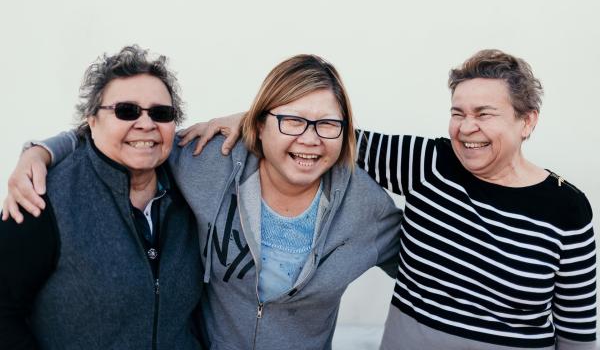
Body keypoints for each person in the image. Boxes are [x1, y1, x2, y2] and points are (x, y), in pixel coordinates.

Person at [122, 49, 598, 349]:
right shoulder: (428, 162)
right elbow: (130, 139)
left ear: (527, 121)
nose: (466, 127)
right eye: (457, 113)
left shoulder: (567, 210)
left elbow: (578, 331)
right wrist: (47, 150)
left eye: (484, 113)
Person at [3, 54, 402, 349]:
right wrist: (41, 150)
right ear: (260, 125)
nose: (310, 139)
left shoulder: (366, 209)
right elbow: (136, 141)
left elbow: (426, 263)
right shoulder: (207, 164)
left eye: (327, 125)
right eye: (292, 120)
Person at [0, 45, 203, 349]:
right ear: (91, 120)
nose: (146, 124)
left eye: (161, 114)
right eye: (126, 111)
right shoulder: (42, 198)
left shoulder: (193, 189)